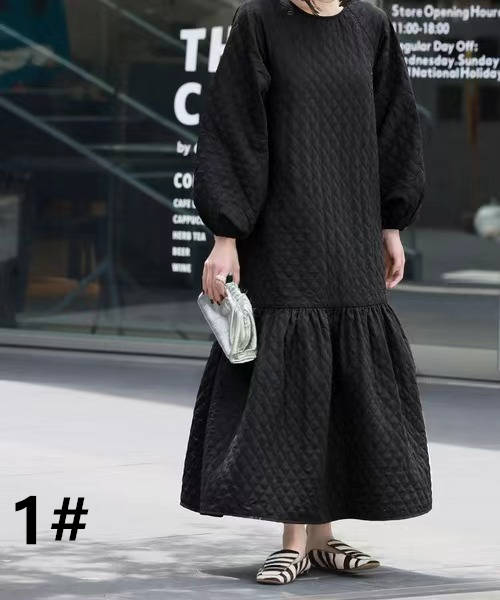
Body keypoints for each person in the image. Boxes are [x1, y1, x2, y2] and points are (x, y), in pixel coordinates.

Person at [180, 0, 433, 585]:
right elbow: (234, 130)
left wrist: (390, 225)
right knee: (295, 378)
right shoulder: (260, 21)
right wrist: (225, 236)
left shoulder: (370, 26)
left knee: (340, 377)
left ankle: (322, 538)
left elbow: (394, 126)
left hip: (352, 230)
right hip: (283, 234)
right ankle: (294, 541)